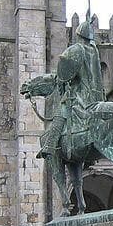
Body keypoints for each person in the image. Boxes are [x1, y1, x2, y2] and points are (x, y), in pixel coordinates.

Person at [37, 19, 105, 159]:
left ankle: (49, 146)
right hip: (97, 97)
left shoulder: (76, 49)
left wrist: (63, 81)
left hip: (80, 95)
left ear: (78, 35)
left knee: (60, 114)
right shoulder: (94, 51)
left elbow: (63, 74)